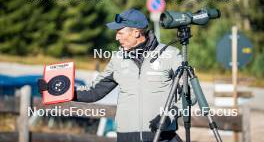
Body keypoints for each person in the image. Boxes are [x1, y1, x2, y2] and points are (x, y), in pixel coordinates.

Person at [39, 8, 193, 142]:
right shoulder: (118, 58)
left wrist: (169, 116)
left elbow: (189, 94)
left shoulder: (170, 54)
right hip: (126, 137)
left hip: (162, 135)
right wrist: (61, 90)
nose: (116, 37)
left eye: (120, 32)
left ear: (136, 32)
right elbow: (95, 91)